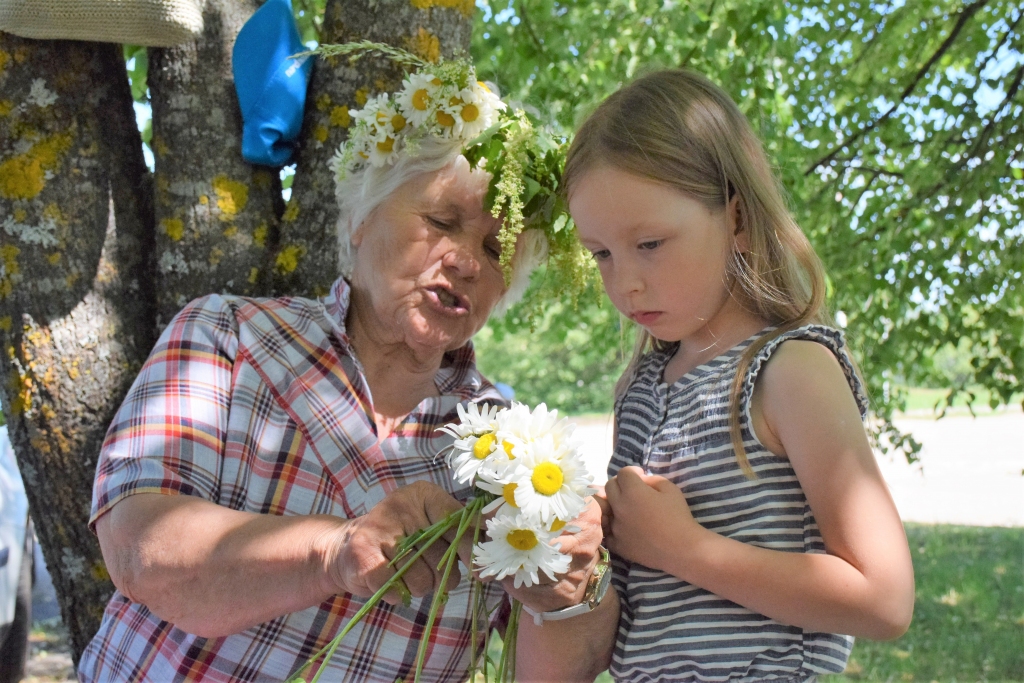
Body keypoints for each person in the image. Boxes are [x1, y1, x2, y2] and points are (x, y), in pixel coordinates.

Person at [78, 54, 603, 683]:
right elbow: (140, 550)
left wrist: (563, 596)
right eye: (441, 221)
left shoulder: (512, 454)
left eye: (497, 250)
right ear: (359, 218)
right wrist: (333, 552)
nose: (466, 261)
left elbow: (540, 667)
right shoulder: (230, 337)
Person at [516, 69, 915, 683]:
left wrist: (684, 549)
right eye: (602, 253)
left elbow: (884, 600)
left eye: (649, 243)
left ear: (737, 218)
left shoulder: (789, 369)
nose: (625, 282)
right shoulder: (643, 390)